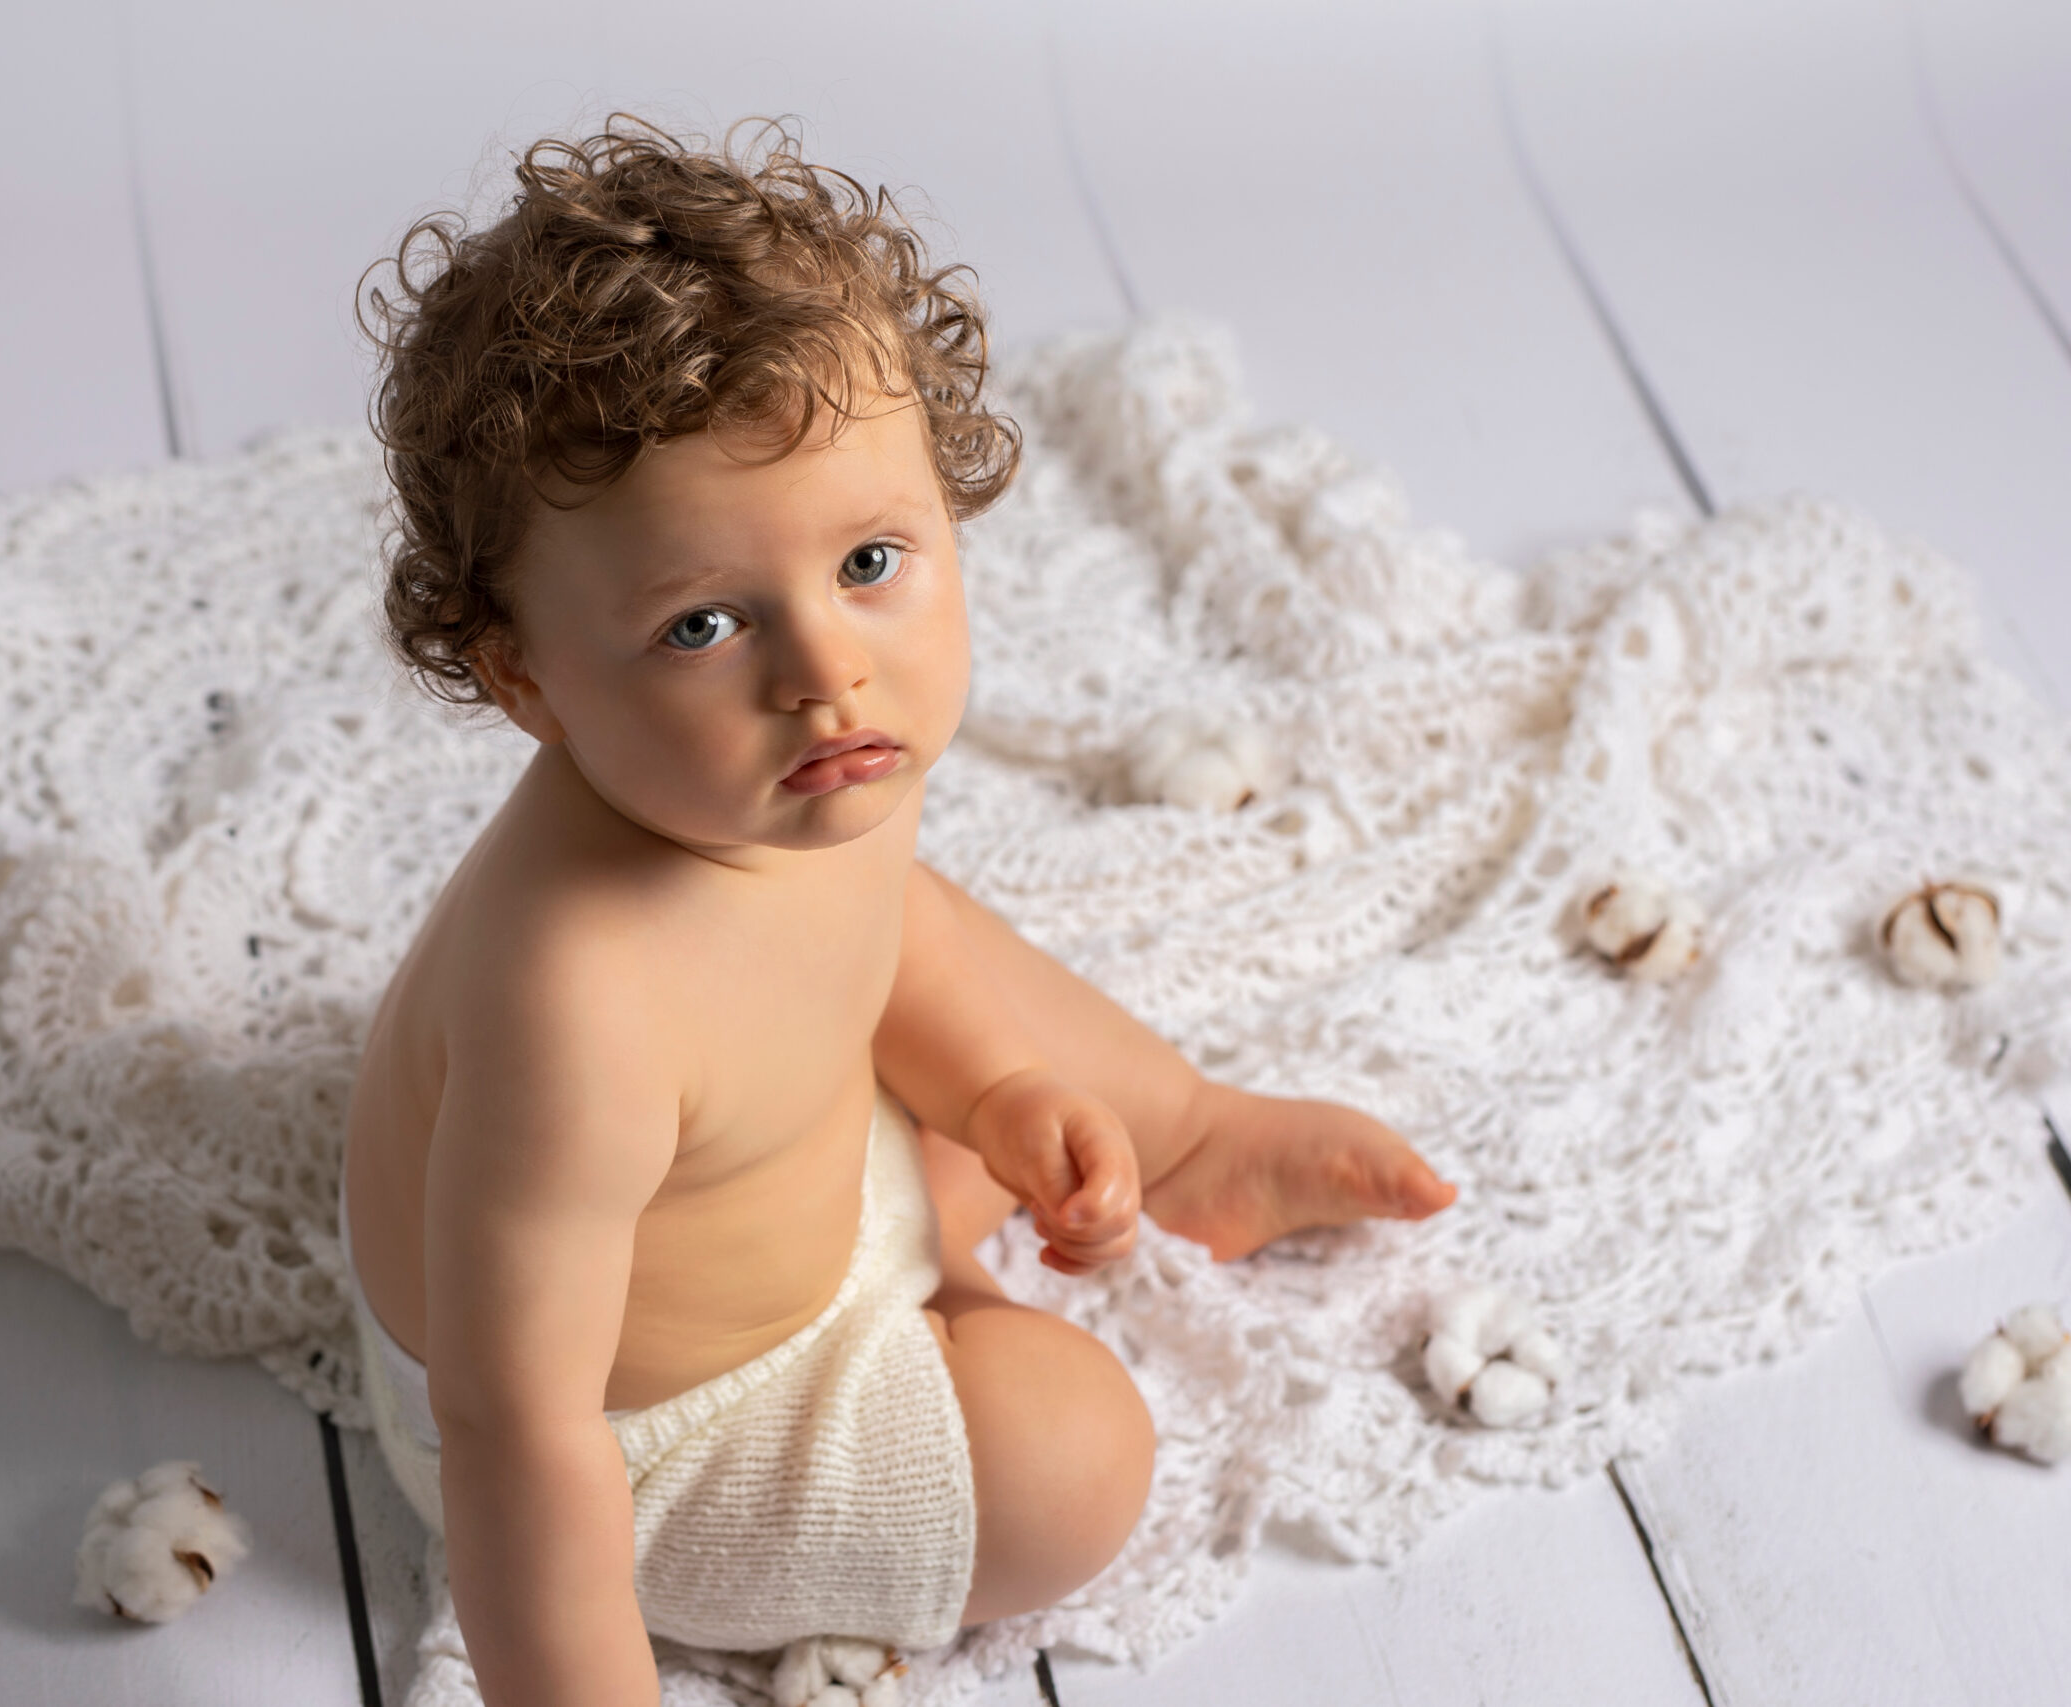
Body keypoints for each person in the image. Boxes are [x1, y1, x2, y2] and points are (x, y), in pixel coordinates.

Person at [339, 116, 1456, 1704]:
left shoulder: (789, 765)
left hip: (752, 1185)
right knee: (1079, 1455)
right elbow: (521, 1435)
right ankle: (937, 1298)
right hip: (653, 1424)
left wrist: (996, 1091)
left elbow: (872, 944)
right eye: (704, 623)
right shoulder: (576, 1006)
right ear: (524, 675)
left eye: (872, 558)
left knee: (917, 919)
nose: (822, 670)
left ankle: (1193, 1136)